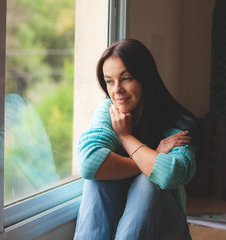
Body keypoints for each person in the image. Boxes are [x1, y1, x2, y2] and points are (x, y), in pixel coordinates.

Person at [73, 39, 200, 240]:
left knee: (149, 182)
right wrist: (154, 156)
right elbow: (89, 163)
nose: (116, 90)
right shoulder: (109, 111)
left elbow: (168, 174)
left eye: (126, 78)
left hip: (166, 231)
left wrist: (125, 136)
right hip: (114, 230)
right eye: (109, 81)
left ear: (145, 78)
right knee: (98, 178)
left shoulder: (178, 123)